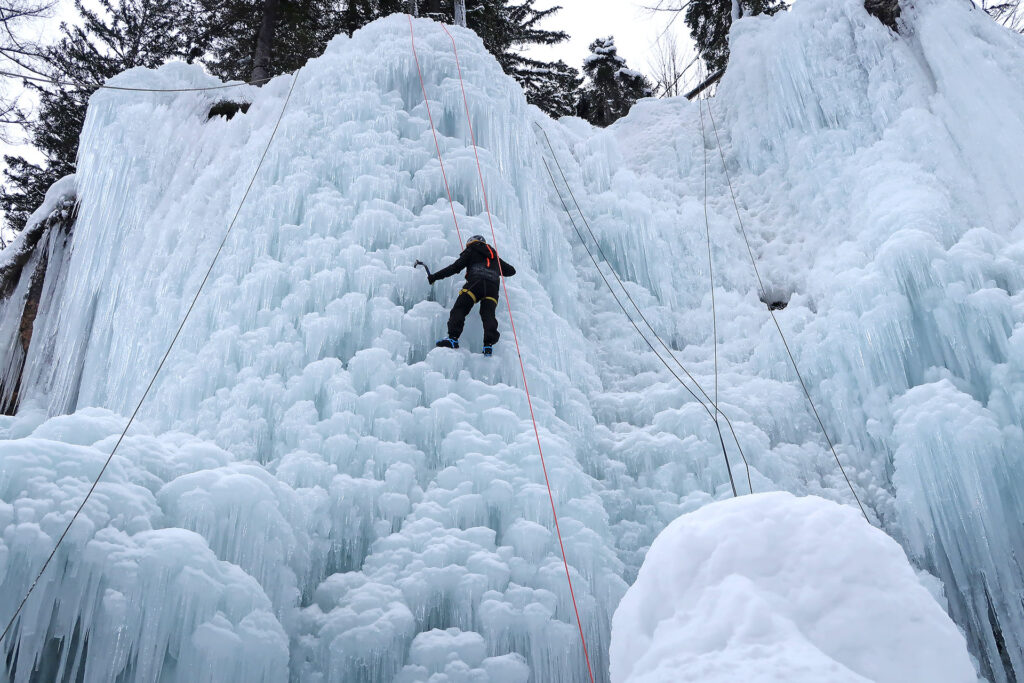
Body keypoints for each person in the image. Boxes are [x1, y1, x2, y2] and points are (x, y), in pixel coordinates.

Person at [426, 234, 516, 356]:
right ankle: (488, 345)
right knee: (488, 314)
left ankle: (453, 338)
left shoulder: (471, 250)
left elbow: (455, 267)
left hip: (476, 282)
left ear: (471, 243)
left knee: (460, 308)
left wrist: (434, 277)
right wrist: (494, 267)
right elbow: (511, 271)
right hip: (492, 288)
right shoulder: (495, 257)